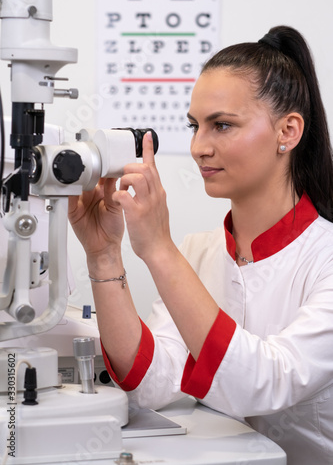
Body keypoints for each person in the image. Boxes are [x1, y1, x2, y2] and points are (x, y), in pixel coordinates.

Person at [68, 26, 333, 464]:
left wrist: (158, 249)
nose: (198, 147)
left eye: (222, 125)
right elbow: (154, 381)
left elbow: (264, 383)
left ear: (288, 131)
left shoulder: (323, 257)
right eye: (194, 126)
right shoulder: (200, 250)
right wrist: (103, 254)